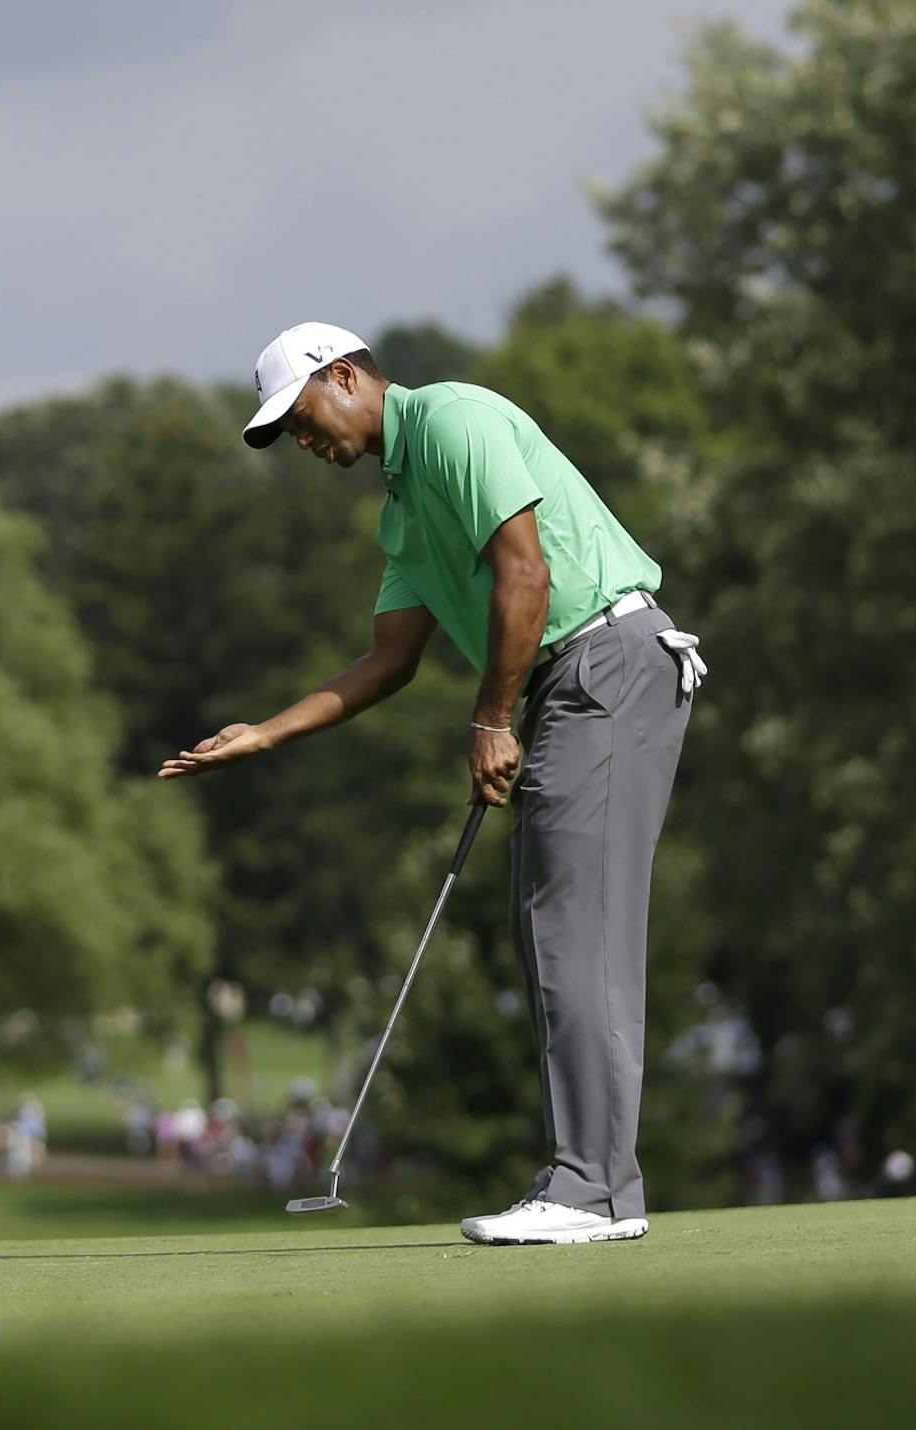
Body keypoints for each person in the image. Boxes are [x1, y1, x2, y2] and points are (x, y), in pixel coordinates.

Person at [158, 323, 706, 1246]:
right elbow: (388, 661)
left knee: (575, 930)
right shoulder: (404, 511)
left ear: (344, 376)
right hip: (571, 685)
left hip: (607, 663)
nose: (301, 442)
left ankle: (592, 1189)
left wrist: (492, 720)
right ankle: (596, 1183)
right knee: (552, 933)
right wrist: (266, 733)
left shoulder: (453, 420)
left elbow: (524, 571)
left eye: (298, 418)